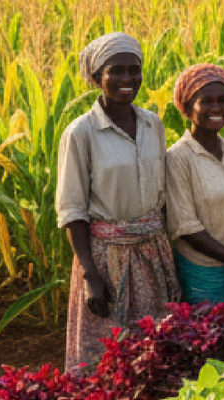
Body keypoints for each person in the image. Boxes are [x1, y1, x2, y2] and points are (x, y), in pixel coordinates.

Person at [55, 32, 179, 370]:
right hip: (107, 257)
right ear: (97, 78)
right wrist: (90, 275)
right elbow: (72, 209)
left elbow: (162, 195)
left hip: (152, 252)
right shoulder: (81, 132)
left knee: (154, 349)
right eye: (116, 71)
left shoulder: (153, 124)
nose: (128, 79)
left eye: (134, 70)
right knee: (109, 355)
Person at [166, 64, 224, 304]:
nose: (217, 108)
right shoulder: (178, 158)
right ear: (187, 108)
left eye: (223, 101)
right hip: (203, 270)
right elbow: (185, 226)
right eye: (206, 101)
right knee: (208, 326)